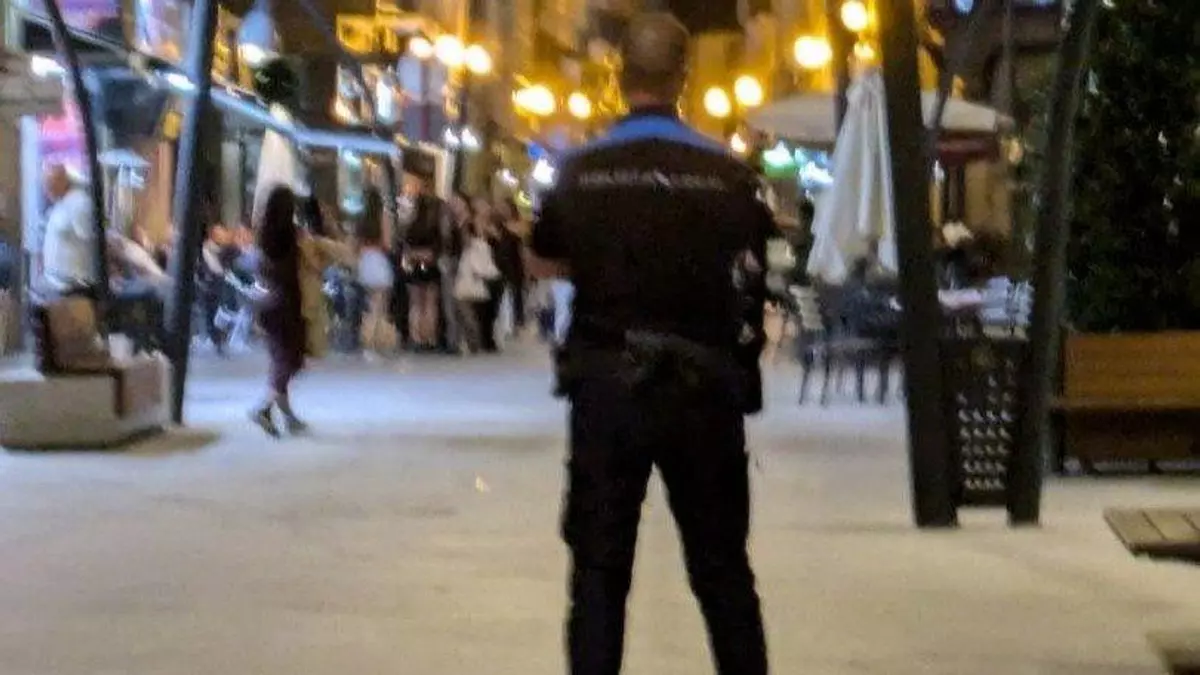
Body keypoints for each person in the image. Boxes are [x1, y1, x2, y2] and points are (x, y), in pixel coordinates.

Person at [527, 13, 775, 675]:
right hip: (703, 385)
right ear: (682, 79)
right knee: (722, 570)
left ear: (619, 76)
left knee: (599, 571)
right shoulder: (729, 174)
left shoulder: (579, 171)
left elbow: (542, 257)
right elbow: (752, 265)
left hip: (607, 381)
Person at [249, 187, 309, 438]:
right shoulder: (290, 236)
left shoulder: (262, 234)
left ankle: (288, 416)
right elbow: (295, 272)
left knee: (279, 359)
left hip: (265, 302)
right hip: (286, 303)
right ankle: (264, 407)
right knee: (290, 361)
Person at [38, 164, 97, 294]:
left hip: (76, 287)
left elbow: (93, 241)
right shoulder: (61, 202)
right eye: (46, 184)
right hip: (59, 284)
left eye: (50, 183)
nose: (46, 189)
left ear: (64, 181)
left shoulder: (80, 202)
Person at [401, 175, 444, 350]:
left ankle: (416, 337)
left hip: (414, 265)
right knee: (431, 304)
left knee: (415, 304)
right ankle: (430, 338)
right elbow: (438, 248)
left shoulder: (411, 225)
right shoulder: (436, 225)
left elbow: (406, 246)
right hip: (431, 266)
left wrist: (414, 255)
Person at [356, 190, 396, 357]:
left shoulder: (361, 219)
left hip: (365, 261)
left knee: (371, 304)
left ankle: (370, 339)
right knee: (380, 306)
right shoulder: (384, 217)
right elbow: (388, 243)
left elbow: (356, 243)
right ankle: (375, 342)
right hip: (379, 260)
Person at [492, 197, 527, 339]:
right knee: (500, 294)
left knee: (516, 294)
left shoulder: (518, 225)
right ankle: (503, 323)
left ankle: (516, 323)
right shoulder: (496, 225)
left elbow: (522, 244)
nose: (502, 210)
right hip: (499, 262)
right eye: (500, 208)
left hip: (514, 262)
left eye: (505, 208)